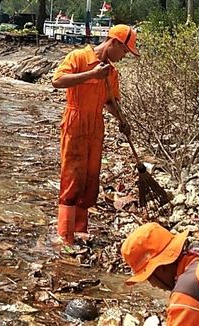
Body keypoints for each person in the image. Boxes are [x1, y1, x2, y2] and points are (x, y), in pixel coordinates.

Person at [51, 24, 139, 244]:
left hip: (96, 124)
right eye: (124, 51)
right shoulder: (79, 57)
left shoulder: (111, 72)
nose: (123, 56)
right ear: (114, 43)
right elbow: (57, 81)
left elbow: (110, 101)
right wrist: (91, 74)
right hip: (75, 120)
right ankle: (65, 236)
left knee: (90, 179)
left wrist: (123, 121)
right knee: (72, 177)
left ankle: (80, 231)